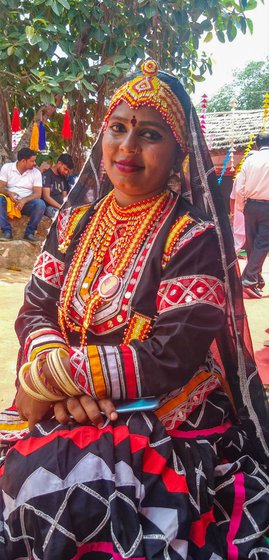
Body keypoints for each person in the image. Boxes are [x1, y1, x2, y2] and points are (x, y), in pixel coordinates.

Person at [0, 60, 268, 560]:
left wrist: (56, 379)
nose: (127, 147)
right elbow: (36, 308)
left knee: (65, 487)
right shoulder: (73, 222)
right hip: (66, 399)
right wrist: (52, 373)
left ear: (178, 155)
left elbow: (173, 353)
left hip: (165, 411)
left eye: (148, 135)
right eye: (117, 129)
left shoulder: (193, 237)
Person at [236, 132, 269, 298]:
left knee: (252, 244)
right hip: (267, 206)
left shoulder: (249, 160)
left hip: (250, 205)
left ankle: (256, 279)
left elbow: (239, 187)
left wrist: (242, 207)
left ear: (257, 145)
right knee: (262, 244)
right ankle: (249, 279)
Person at [0, 147, 45, 242]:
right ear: (23, 161)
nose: (35, 163)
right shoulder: (7, 168)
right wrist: (8, 193)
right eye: (32, 161)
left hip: (26, 204)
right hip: (10, 202)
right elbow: (1, 187)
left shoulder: (36, 172)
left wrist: (24, 200)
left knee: (40, 204)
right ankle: (6, 231)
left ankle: (29, 233)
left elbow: (38, 194)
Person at [42, 153, 74, 218]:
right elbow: (46, 197)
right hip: (50, 207)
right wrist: (61, 207)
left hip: (61, 207)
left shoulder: (63, 177)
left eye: (68, 171)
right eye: (65, 169)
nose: (66, 172)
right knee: (62, 218)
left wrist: (69, 208)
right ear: (59, 163)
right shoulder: (47, 175)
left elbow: (65, 196)